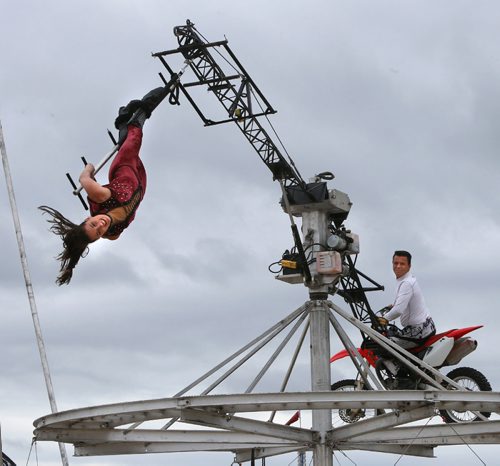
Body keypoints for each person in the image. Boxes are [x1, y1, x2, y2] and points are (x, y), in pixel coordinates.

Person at [39, 86, 169, 285]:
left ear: (86, 219)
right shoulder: (112, 234)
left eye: (93, 223)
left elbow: (84, 179)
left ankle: (149, 102)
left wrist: (89, 169)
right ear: (101, 237)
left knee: (134, 135)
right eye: (98, 231)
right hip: (140, 182)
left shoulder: (99, 197)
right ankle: (123, 120)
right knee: (128, 137)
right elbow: (111, 228)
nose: (101, 225)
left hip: (123, 167)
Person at [378, 250, 436, 349]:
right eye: (396, 263)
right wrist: (393, 305)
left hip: (418, 331)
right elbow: (404, 302)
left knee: (384, 346)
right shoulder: (406, 280)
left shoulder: (406, 283)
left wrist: (384, 319)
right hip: (425, 327)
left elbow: (398, 310)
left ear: (409, 266)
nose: (398, 266)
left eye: (402, 264)